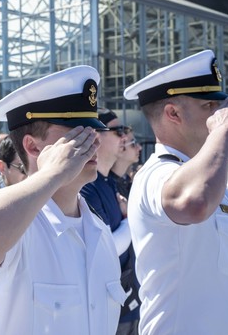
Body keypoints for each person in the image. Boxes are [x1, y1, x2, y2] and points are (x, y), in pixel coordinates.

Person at [0, 66, 125, 334]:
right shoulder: (16, 227)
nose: (92, 142)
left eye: (93, 131)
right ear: (33, 146)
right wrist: (52, 174)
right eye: (78, 131)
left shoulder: (98, 230)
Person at [123, 49, 228, 334]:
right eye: (209, 107)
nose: (221, 114)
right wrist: (225, 132)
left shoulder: (215, 181)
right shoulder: (157, 174)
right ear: (173, 113)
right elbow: (195, 202)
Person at [80, 108, 140, 334]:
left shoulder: (108, 182)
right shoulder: (87, 187)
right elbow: (108, 249)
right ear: (96, 135)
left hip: (125, 298)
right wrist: (132, 220)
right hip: (107, 307)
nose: (124, 138)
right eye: (118, 132)